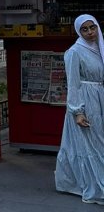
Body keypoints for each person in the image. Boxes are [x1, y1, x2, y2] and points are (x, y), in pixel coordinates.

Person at [55, 14, 104, 205]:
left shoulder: (100, 48)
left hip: (99, 97)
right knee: (94, 144)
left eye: (93, 27)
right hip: (86, 101)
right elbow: (73, 83)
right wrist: (78, 111)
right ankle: (97, 185)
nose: (90, 32)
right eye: (85, 29)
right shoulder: (74, 52)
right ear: (78, 31)